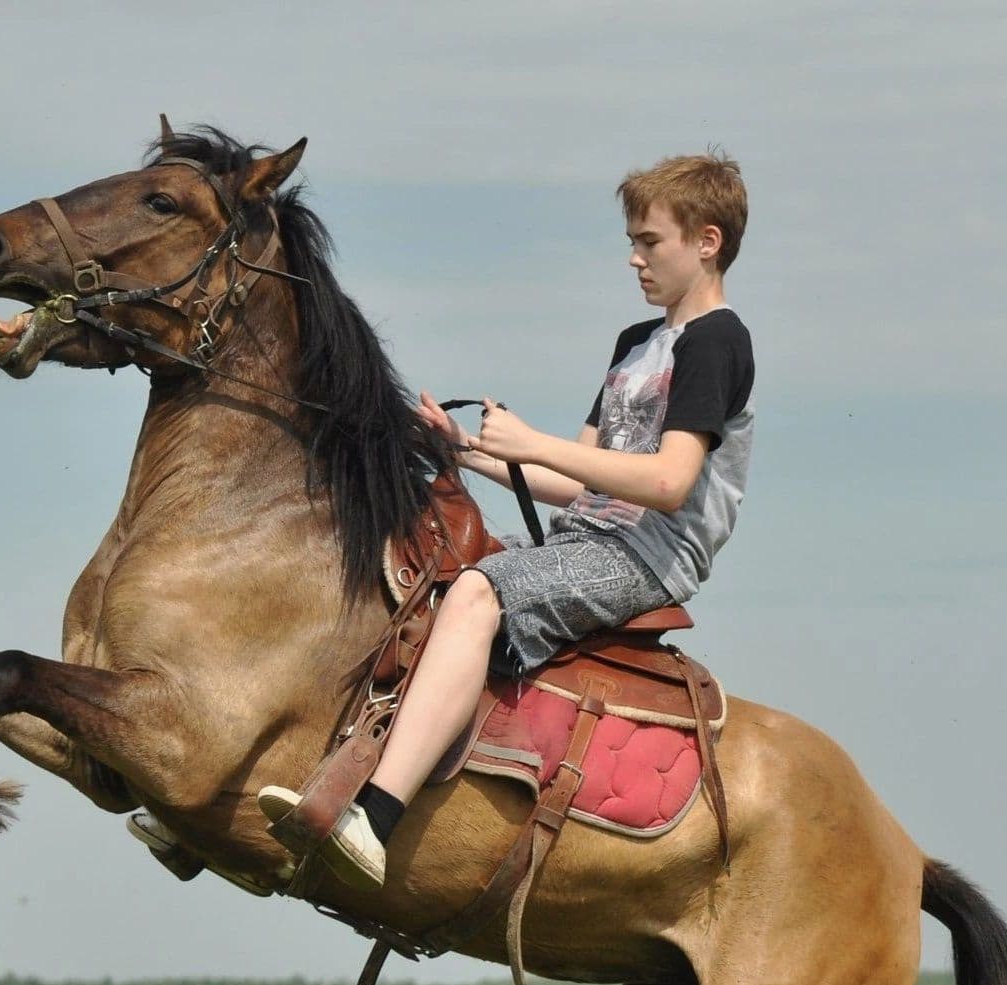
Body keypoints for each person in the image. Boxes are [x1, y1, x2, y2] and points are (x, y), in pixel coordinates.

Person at [257, 152, 755, 890]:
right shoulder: (635, 345)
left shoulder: (717, 340)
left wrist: (532, 443)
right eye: (634, 241)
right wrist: (467, 448)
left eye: (650, 242)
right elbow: (571, 481)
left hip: (648, 559)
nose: (634, 258)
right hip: (592, 537)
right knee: (417, 582)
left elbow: (670, 481)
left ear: (707, 242)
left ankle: (377, 820)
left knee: (480, 591)